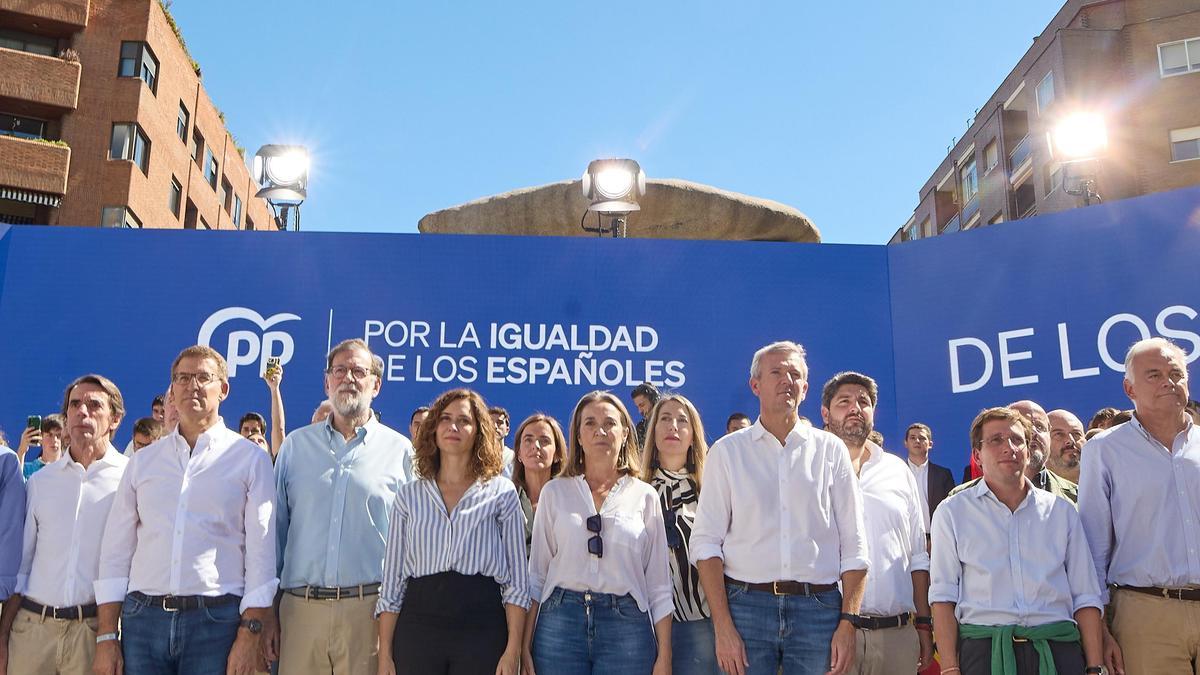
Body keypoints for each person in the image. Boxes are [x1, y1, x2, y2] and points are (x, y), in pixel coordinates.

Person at [94, 345, 277, 675]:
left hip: (216, 621)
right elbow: (115, 552)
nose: (191, 385)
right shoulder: (143, 462)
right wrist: (107, 635)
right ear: (172, 390)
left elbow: (261, 555)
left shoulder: (250, 459)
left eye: (203, 377)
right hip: (142, 621)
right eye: (182, 378)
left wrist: (250, 634)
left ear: (223, 389)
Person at [691, 341, 868, 675]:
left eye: (795, 374)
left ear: (805, 388)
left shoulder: (831, 451)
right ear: (755, 385)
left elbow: (855, 544)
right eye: (777, 372)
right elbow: (705, 543)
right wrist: (723, 625)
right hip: (744, 610)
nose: (787, 380)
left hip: (819, 612)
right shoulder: (727, 453)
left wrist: (848, 623)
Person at [270, 338, 413, 675]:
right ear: (327, 382)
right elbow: (275, 533)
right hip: (300, 612)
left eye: (359, 371)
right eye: (340, 370)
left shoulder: (400, 451)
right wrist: (268, 611)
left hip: (369, 614)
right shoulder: (295, 447)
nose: (348, 378)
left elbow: (411, 543)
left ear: (375, 385)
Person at [930, 407, 1104, 675]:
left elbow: (1085, 595)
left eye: (1017, 440)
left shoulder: (1062, 511)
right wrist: (950, 668)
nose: (1009, 448)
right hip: (984, 653)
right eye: (996, 440)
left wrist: (1094, 667)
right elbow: (943, 596)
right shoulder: (952, 512)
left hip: (1057, 650)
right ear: (977, 453)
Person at [377, 389, 529, 675]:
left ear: (479, 431)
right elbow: (393, 581)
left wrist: (513, 650)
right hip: (418, 626)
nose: (453, 427)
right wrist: (385, 652)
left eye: (464, 420)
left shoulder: (501, 493)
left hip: (482, 626)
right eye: (445, 419)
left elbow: (517, 582)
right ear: (433, 429)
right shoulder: (409, 496)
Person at [524, 390, 672, 675]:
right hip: (559, 624)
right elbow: (537, 576)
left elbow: (658, 585)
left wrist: (664, 655)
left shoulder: (645, 496)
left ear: (626, 433)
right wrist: (523, 647)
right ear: (578, 436)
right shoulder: (555, 492)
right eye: (590, 423)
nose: (600, 431)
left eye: (610, 423)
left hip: (627, 627)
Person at [1079, 337, 1200, 675]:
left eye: (1176, 372)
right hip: (1145, 613)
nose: (1169, 381)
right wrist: (1099, 627)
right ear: (1129, 389)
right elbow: (1093, 546)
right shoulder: (1104, 450)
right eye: (1154, 374)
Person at [1, 375, 128, 675]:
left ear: (115, 419)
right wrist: (4, 635)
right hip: (32, 632)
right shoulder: (41, 482)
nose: (82, 412)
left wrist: (110, 638)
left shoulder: (131, 478)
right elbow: (23, 565)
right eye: (75, 404)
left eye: (94, 405)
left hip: (92, 634)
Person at [820, 373, 932, 675]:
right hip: (828, 635)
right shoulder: (809, 469)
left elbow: (917, 556)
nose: (855, 408)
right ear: (825, 413)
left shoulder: (897, 470)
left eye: (864, 402)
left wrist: (923, 623)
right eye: (844, 401)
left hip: (897, 636)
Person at [641, 393, 719, 674]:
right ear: (653, 430)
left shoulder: (712, 489)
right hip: (643, 624)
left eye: (682, 420)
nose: (673, 426)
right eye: (664, 419)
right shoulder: (635, 490)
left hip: (701, 621)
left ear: (692, 434)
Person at [951, 400, 1078, 504]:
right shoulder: (957, 501)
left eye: (1040, 426)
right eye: (1025, 426)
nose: (1033, 432)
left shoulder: (1076, 496)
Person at [511, 413, 566, 551]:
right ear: (518, 453)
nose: (536, 446)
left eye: (544, 440)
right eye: (528, 440)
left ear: (557, 454)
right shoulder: (504, 500)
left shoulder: (572, 499)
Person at [903, 423, 955, 543]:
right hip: (904, 539)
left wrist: (936, 540)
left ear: (930, 444)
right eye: (912, 438)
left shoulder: (943, 474)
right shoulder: (895, 472)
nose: (917, 441)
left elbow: (950, 509)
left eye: (922, 438)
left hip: (935, 539)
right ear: (906, 443)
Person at [16, 414, 65, 481]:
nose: (54, 440)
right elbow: (15, 486)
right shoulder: (27, 469)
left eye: (58, 435)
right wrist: (21, 451)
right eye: (50, 435)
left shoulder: (70, 468)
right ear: (40, 437)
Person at [1046, 409, 1085, 484]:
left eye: (1076, 434)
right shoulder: (1026, 491)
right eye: (1059, 434)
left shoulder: (1108, 487)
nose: (1070, 440)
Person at [488, 406, 517, 477]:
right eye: (490, 422)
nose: (495, 426)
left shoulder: (514, 458)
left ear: (507, 430)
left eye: (499, 422)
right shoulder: (476, 459)